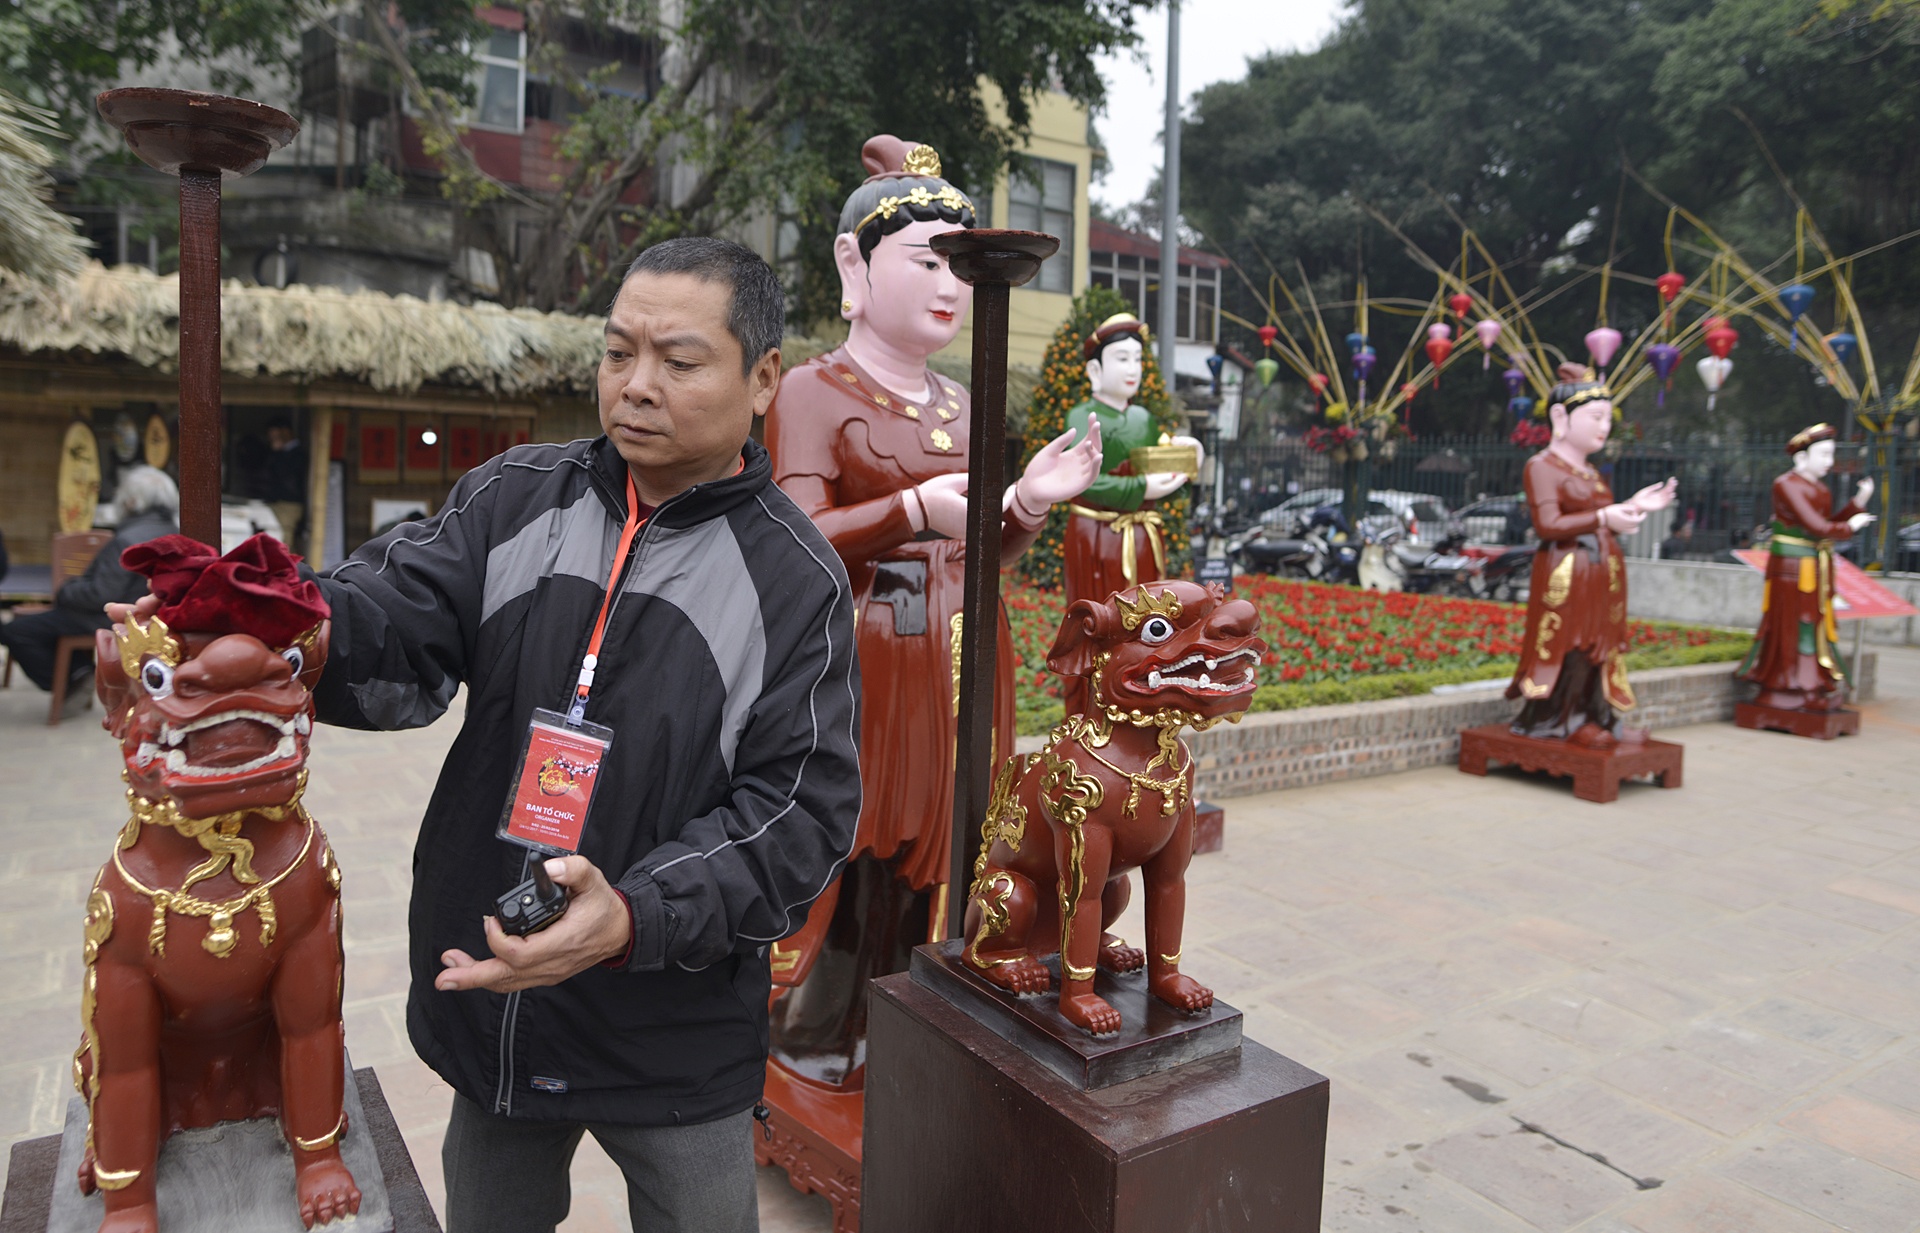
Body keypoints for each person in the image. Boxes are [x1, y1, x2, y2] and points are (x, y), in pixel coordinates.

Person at [307, 237, 860, 1233]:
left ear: (763, 377)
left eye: (678, 361)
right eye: (617, 354)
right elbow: (392, 620)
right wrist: (289, 628)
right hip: (495, 993)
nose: (635, 387)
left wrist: (635, 914)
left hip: (670, 1030)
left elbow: (796, 818)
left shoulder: (794, 581)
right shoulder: (516, 498)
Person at [762, 136, 1100, 1101]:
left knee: (962, 840)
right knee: (864, 848)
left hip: (965, 657)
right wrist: (910, 511)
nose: (954, 284)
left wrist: (1027, 502)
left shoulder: (962, 399)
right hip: (868, 662)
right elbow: (795, 543)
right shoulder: (810, 393)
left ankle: (929, 1017)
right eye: (930, 260)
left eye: (964, 263)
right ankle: (821, 1026)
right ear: (852, 267)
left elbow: (979, 546)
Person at [1505, 373, 1676, 746]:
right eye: (1596, 417)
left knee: (1602, 646)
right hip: (1566, 574)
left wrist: (1633, 507)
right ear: (1561, 419)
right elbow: (1549, 524)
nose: (1605, 427)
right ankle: (1557, 721)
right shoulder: (1542, 467)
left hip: (1601, 576)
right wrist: (1604, 517)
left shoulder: (1592, 473)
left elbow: (1604, 519)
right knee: (1570, 645)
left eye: (1608, 419)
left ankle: (1598, 716)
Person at [1062, 312, 1203, 711]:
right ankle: (1089, 710)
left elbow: (1162, 456)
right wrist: (1141, 488)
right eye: (1122, 359)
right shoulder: (1083, 416)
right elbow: (1085, 480)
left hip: (1143, 536)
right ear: (1095, 368)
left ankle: (1142, 699)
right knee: (1100, 623)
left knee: (1148, 621)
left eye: (1138, 360)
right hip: (1097, 535)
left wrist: (1186, 457)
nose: (1132, 369)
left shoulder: (1143, 418)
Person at [0, 465, 177, 696]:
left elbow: (101, 594)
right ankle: (79, 672)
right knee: (47, 624)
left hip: (112, 617)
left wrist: (66, 590)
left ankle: (72, 679)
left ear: (131, 502)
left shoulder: (127, 539)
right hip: (148, 617)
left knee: (17, 630)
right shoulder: (174, 532)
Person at [1738, 423, 1874, 712]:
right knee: (1791, 624)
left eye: (1831, 455)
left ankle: (1810, 683)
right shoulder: (1785, 484)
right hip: (1790, 568)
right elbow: (1816, 527)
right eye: (1823, 454)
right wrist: (1849, 527)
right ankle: (1786, 683)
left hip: (1813, 565)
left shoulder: (1820, 489)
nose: (1829, 462)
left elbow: (1824, 525)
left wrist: (1857, 504)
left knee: (1811, 624)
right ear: (1801, 458)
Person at [265, 418, 308, 546]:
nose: (272, 438)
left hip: (289, 502)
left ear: (285, 432)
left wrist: (278, 453)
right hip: (276, 500)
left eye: (275, 434)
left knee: (284, 538)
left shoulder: (298, 453)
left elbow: (286, 474)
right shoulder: (278, 452)